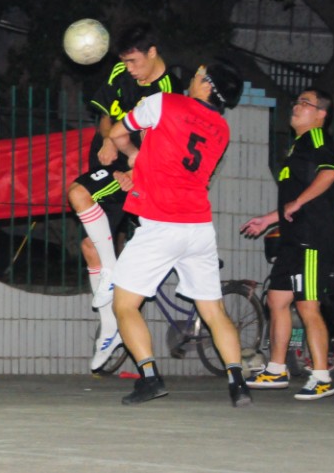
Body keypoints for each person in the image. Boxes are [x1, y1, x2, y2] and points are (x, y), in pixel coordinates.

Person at [108, 60, 251, 407]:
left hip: (160, 223)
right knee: (214, 311)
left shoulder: (165, 102)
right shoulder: (222, 129)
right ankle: (238, 384)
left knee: (124, 305)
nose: (192, 77)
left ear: (207, 85)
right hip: (199, 227)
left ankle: (150, 378)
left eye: (199, 74)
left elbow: (117, 132)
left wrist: (134, 155)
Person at [66, 23, 181, 371]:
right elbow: (106, 115)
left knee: (78, 193)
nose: (129, 68)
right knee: (90, 247)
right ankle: (110, 328)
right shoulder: (121, 71)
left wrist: (136, 172)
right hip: (108, 160)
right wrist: (106, 139)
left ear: (152, 53)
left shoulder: (169, 92)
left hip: (138, 172)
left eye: (134, 61)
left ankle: (113, 278)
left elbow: (165, 148)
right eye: (125, 62)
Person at [240, 87, 334, 400]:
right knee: (276, 300)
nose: (297, 106)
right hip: (292, 238)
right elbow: (292, 203)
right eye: (297, 102)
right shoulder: (298, 146)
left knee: (308, 305)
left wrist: (298, 202)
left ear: (321, 114)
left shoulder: (317, 137)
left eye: (305, 103)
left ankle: (321, 377)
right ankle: (276, 369)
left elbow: (330, 173)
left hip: (311, 237)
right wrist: (268, 220)